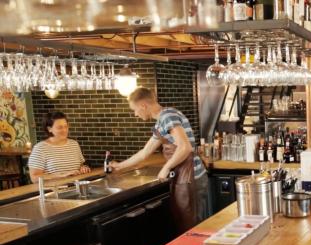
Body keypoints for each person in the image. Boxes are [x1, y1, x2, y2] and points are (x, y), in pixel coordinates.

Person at [109, 87, 208, 232]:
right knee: (187, 227)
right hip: (184, 177)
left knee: (195, 229)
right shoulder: (161, 121)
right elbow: (145, 152)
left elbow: (185, 147)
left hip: (191, 178)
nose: (135, 114)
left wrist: (165, 167)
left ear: (143, 105)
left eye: (135, 110)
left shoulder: (168, 117)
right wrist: (119, 166)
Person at [28, 112, 91, 182]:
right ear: (49, 129)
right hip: (54, 190)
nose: (64, 130)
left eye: (66, 126)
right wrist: (61, 175)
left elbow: (80, 166)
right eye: (59, 127)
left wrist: (83, 168)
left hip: (76, 187)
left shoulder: (74, 144)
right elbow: (34, 178)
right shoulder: (40, 148)